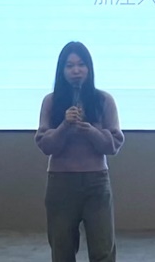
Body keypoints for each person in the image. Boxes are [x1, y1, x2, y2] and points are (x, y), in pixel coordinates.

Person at [36, 41, 124, 262]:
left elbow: (113, 145)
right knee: (62, 248)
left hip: (96, 182)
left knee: (103, 249)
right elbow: (45, 145)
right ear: (62, 70)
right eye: (70, 65)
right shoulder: (51, 101)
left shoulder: (103, 100)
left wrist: (90, 130)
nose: (76, 70)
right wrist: (65, 126)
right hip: (61, 182)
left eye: (81, 64)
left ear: (89, 68)